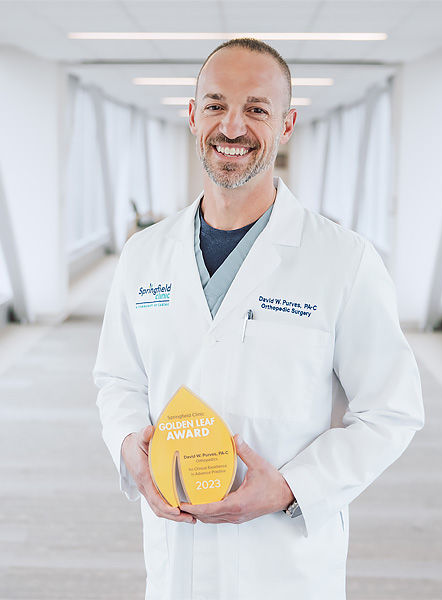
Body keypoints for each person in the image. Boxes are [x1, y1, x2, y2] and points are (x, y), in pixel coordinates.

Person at [94, 38, 424, 600]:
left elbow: (390, 412)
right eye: (217, 104)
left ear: (288, 124)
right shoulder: (144, 255)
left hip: (285, 567)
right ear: (193, 115)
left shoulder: (343, 260)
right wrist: (129, 443)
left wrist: (292, 487)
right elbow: (118, 380)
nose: (232, 127)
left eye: (257, 108)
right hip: (178, 563)